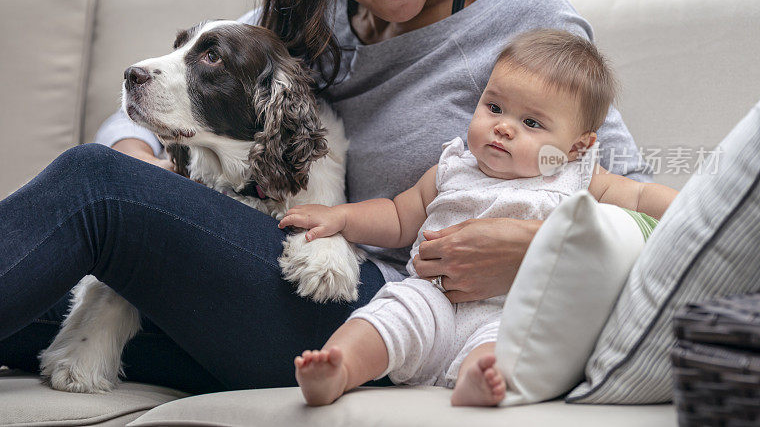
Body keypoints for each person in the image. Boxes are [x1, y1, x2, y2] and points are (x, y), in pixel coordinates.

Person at [0, 0, 652, 393]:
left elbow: (643, 206)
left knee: (93, 187)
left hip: (382, 309)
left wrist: (534, 251)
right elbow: (141, 108)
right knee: (32, 286)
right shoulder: (307, 16)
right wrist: (146, 164)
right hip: (264, 295)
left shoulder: (525, 16)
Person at [279, 29, 678, 406]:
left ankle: (477, 380)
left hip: (507, 310)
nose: (503, 127)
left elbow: (641, 195)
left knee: (505, 345)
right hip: (432, 295)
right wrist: (342, 218)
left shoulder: (578, 176)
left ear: (577, 146)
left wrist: (691, 203)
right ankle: (339, 366)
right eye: (494, 107)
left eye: (532, 123)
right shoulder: (454, 166)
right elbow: (399, 216)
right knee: (391, 310)